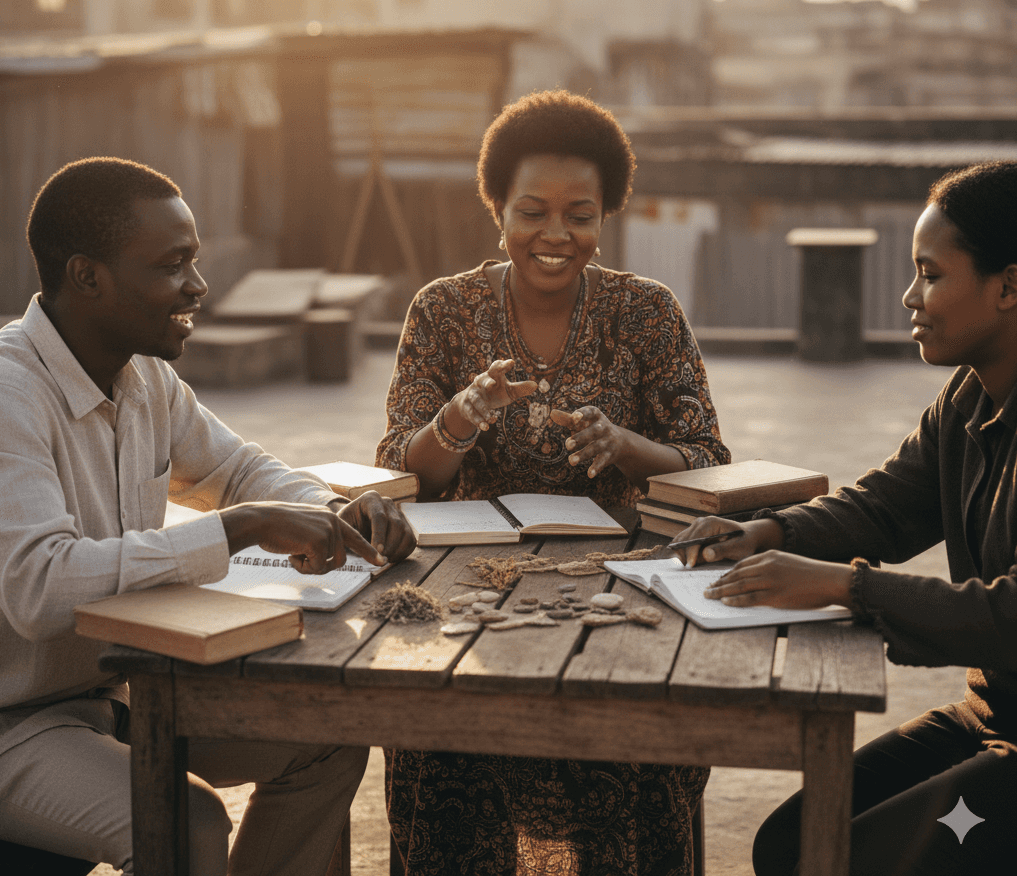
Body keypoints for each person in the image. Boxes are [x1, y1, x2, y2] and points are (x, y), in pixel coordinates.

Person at [0, 157, 416, 876]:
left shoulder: (145, 376)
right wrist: (239, 527)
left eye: (195, 260)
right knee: (187, 821)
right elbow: (39, 588)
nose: (198, 286)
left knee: (327, 738)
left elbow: (240, 470)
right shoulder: (7, 394)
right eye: (172, 265)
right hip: (12, 724)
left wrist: (335, 510)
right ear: (87, 276)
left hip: (123, 694)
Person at [376, 90, 731, 875]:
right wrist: (461, 416)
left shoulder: (647, 313)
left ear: (607, 217)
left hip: (616, 590)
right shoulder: (443, 310)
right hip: (465, 589)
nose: (556, 234)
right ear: (496, 206)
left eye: (581, 214)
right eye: (532, 210)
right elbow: (399, 469)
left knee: (633, 750)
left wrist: (627, 445)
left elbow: (707, 459)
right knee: (441, 748)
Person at [671, 160, 1017, 876]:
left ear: (1009, 286)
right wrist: (769, 531)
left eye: (930, 274)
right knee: (788, 845)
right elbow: (887, 506)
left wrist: (843, 588)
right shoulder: (968, 398)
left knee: (848, 859)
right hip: (990, 718)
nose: (908, 296)